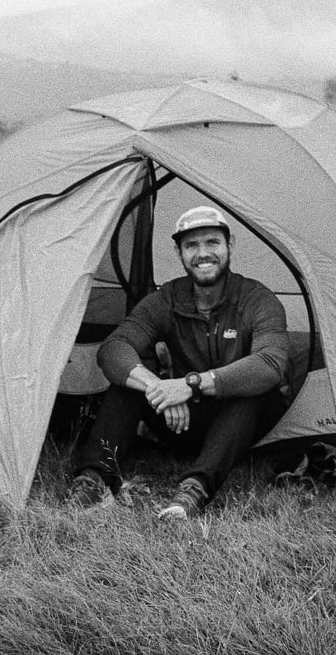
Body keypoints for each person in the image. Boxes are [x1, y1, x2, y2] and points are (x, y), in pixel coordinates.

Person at [69, 205, 291, 519]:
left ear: (230, 246)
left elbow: (271, 363)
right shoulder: (169, 298)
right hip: (184, 420)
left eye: (212, 243)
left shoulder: (257, 298)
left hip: (239, 422)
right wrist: (158, 387)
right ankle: (91, 480)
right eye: (192, 246)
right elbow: (114, 348)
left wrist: (191, 385)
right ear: (179, 252)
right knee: (126, 386)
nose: (203, 254)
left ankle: (192, 491)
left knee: (251, 395)